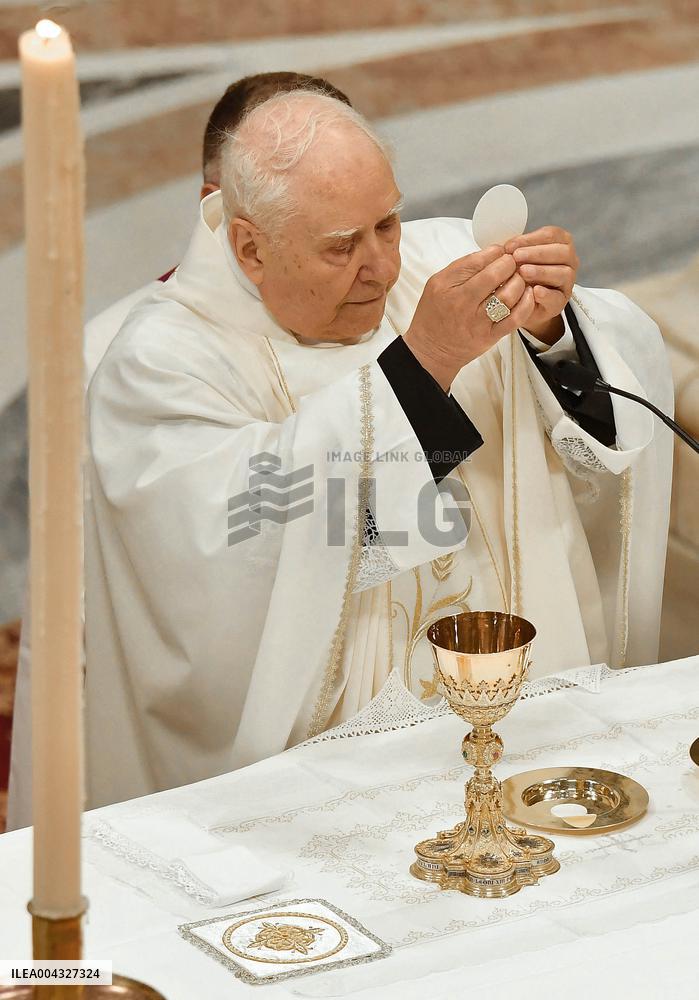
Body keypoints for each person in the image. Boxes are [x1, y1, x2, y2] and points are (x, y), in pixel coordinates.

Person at [80, 90, 672, 810]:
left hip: (528, 726)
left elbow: (608, 404)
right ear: (249, 245)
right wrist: (422, 368)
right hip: (330, 781)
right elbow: (222, 563)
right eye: (340, 246)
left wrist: (552, 334)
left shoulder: (444, 261)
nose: (383, 268)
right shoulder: (161, 362)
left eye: (387, 223)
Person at [5, 73, 352, 832]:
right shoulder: (114, 356)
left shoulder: (384, 316)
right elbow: (97, 603)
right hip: (198, 727)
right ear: (221, 207)